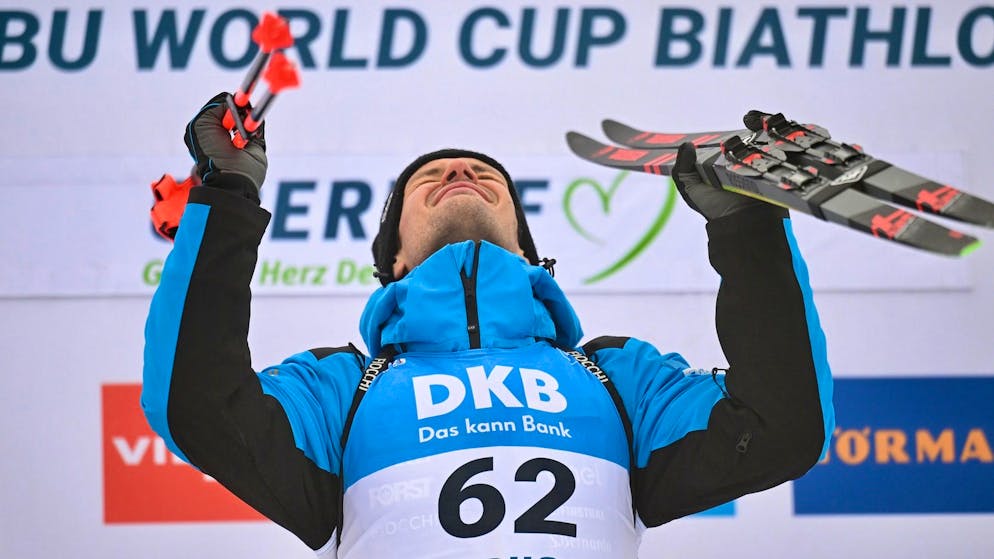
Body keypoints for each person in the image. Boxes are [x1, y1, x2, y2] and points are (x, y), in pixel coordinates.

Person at [143, 93, 834, 558]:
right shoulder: (342, 387)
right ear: (396, 259)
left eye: (484, 175)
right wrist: (225, 197)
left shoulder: (617, 375)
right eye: (430, 177)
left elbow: (782, 425)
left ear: (531, 253)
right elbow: (200, 405)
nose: (459, 169)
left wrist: (747, 224)